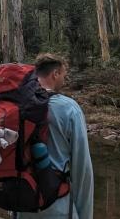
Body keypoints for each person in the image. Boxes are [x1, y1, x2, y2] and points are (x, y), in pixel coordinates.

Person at [16, 53, 94, 219]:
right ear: (55, 73)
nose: (64, 80)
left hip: (22, 203)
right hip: (57, 206)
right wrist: (85, 214)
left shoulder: (18, 105)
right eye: (64, 75)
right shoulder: (69, 108)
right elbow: (82, 169)